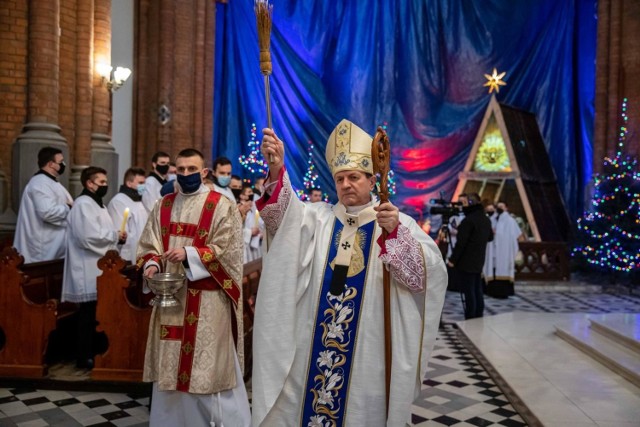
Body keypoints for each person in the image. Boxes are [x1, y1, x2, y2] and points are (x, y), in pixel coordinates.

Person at [252, 119, 448, 426]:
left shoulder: (396, 223)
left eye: (354, 177)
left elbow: (422, 278)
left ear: (372, 181)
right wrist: (277, 169)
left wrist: (395, 234)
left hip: (369, 355)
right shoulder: (317, 220)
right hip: (313, 351)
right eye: (340, 178)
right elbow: (282, 219)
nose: (346, 184)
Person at [136, 148, 250, 427]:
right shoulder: (162, 205)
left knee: (208, 370)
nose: (185, 174)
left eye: (191, 169)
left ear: (204, 172)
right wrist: (151, 265)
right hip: (171, 299)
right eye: (180, 169)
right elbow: (149, 245)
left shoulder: (221, 205)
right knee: (171, 368)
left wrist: (189, 254)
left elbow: (230, 250)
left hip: (209, 303)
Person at [62, 166, 126, 369]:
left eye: (106, 182)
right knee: (87, 315)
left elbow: (102, 232)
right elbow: (87, 237)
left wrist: (117, 236)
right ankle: (83, 356)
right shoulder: (83, 204)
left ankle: (96, 351)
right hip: (87, 267)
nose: (105, 186)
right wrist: (114, 236)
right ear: (89, 183)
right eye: (102, 182)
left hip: (99, 268)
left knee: (96, 314)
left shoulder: (98, 205)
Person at [14, 147, 73, 263]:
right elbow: (47, 212)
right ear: (51, 164)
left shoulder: (52, 182)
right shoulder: (40, 183)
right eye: (61, 162)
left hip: (54, 247)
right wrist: (69, 207)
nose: (63, 165)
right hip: (42, 250)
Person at [446, 193, 493, 319]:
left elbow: (461, 243)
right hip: (479, 259)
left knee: (469, 290)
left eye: (465, 204)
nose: (462, 207)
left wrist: (452, 260)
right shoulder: (485, 219)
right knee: (477, 288)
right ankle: (478, 314)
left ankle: (471, 316)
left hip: (467, 260)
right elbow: (490, 237)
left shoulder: (469, 220)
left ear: (471, 204)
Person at [107, 168, 149, 263]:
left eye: (144, 183)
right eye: (141, 183)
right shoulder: (118, 202)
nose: (144, 186)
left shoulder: (138, 201)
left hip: (142, 254)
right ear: (129, 183)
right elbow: (121, 233)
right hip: (127, 256)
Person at [483, 201, 523, 298]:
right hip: (494, 250)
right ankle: (491, 290)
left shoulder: (510, 221)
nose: (499, 208)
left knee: (503, 268)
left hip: (505, 250)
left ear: (506, 208)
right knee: (493, 268)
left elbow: (518, 236)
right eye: (498, 206)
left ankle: (503, 292)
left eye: (502, 206)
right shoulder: (492, 219)